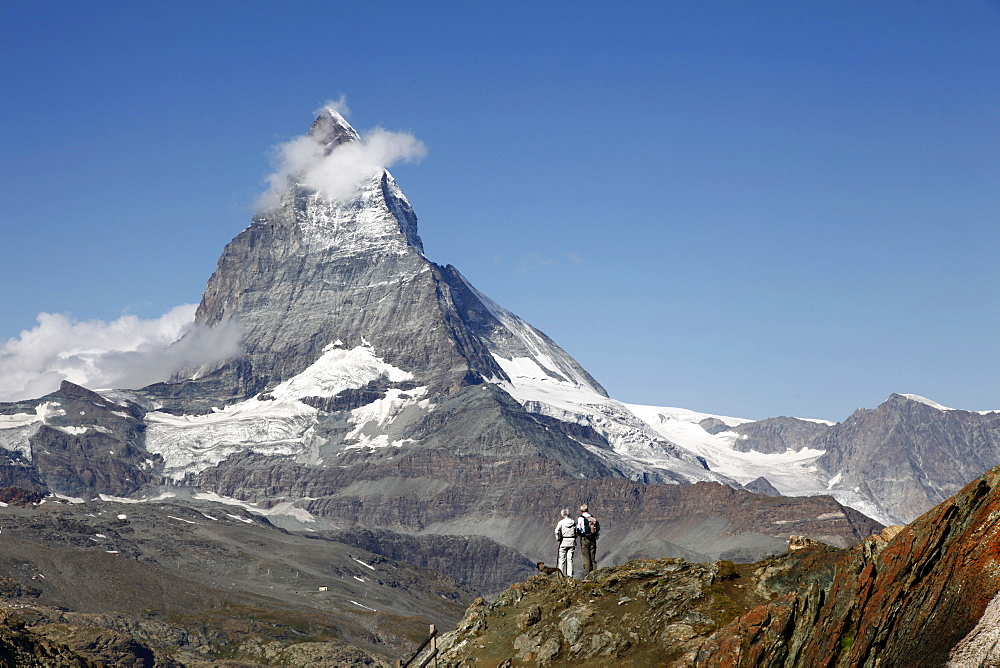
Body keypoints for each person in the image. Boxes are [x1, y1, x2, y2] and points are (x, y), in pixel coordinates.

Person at [576, 504, 599, 576]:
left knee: (586, 557)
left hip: (585, 539)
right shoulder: (592, 517)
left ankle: (587, 574)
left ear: (581, 511)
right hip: (593, 538)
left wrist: (580, 535)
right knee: (592, 557)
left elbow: (578, 528)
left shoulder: (581, 518)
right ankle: (595, 573)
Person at [554, 508, 577, 577]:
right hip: (572, 541)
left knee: (561, 559)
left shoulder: (561, 522)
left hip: (563, 541)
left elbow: (556, 531)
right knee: (570, 559)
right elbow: (576, 531)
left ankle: (560, 575)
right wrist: (575, 537)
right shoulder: (573, 522)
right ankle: (570, 575)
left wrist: (558, 538)